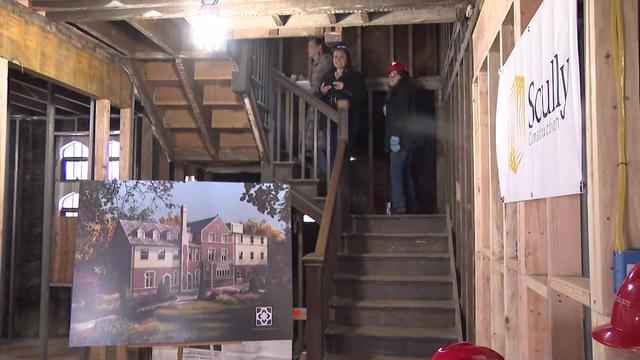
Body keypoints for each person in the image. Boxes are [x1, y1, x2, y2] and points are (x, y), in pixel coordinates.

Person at [318, 44, 365, 159]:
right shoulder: (327, 77)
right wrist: (322, 93)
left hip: (348, 120)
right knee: (331, 153)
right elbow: (319, 99)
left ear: (347, 59)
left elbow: (361, 96)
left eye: (341, 57)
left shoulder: (355, 77)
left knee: (344, 153)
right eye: (335, 57)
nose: (338, 59)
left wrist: (345, 88)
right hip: (329, 121)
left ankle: (344, 175)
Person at [384, 62, 417, 214]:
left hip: (401, 139)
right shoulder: (405, 90)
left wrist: (395, 136)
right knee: (405, 173)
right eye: (389, 75)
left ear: (401, 75)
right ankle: (411, 205)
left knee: (396, 173)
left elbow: (401, 115)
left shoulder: (401, 90)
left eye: (393, 74)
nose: (390, 78)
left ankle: (399, 205)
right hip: (409, 139)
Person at [304, 38, 333, 177]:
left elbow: (321, 83)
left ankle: (327, 178)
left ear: (319, 47)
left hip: (321, 106)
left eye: (311, 46)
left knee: (320, 145)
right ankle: (322, 175)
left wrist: (311, 89)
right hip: (314, 106)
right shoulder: (315, 64)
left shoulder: (325, 61)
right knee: (314, 145)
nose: (308, 49)